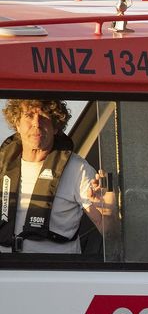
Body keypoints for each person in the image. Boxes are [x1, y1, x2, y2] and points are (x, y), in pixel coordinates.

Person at [0, 99, 108, 254]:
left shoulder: (78, 169)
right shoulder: (2, 165)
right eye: (29, 116)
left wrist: (108, 210)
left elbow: (106, 227)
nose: (36, 123)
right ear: (17, 124)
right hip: (7, 270)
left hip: (57, 270)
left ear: (56, 126)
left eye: (44, 117)